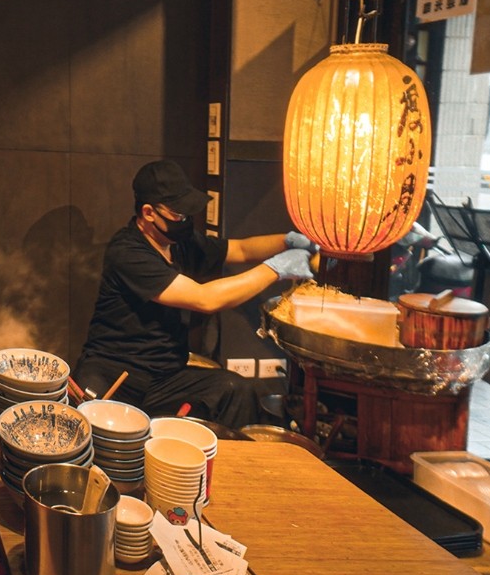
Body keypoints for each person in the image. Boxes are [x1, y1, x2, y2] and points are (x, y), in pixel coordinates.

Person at [73, 159, 317, 430]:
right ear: (149, 213)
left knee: (235, 390)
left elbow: (241, 250)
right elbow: (205, 299)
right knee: (98, 427)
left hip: (165, 376)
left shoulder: (179, 243)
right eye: (178, 215)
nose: (186, 221)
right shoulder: (128, 252)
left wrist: (287, 241)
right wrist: (276, 269)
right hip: (116, 373)